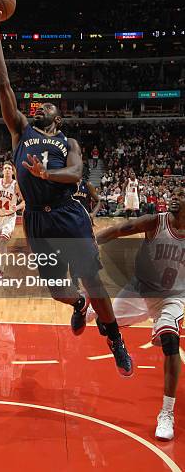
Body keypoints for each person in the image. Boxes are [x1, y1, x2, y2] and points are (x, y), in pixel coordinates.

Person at [0, 6, 133, 377]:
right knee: (57, 291)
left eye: (49, 105)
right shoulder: (21, 129)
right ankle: (79, 304)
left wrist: (45, 174)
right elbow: (3, 84)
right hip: (36, 219)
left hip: (67, 211)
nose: (41, 105)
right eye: (38, 103)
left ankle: (115, 337)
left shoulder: (68, 142)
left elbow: (74, 174)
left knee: (92, 276)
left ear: (59, 117)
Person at [88, 186, 184, 441]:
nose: (174, 196)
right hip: (140, 290)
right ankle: (114, 338)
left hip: (172, 299)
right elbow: (123, 228)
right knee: (102, 323)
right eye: (173, 193)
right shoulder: (157, 221)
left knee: (170, 342)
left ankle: (166, 413)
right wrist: (90, 243)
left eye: (181, 194)